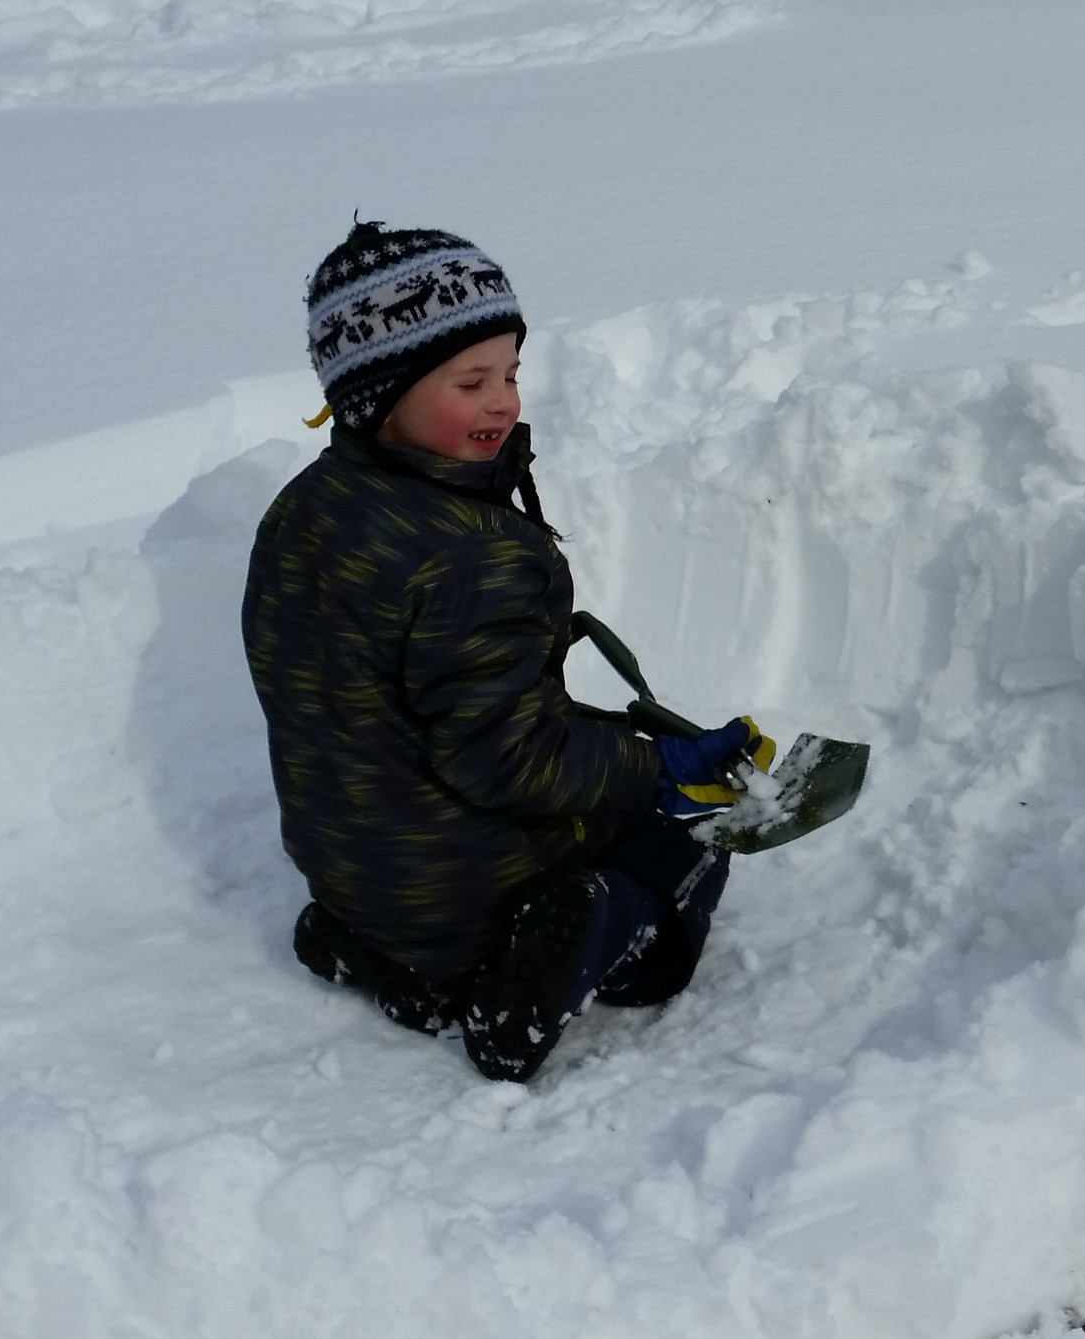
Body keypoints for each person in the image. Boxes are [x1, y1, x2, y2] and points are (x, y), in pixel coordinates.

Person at [243, 221, 769, 1081]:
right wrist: (653, 769)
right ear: (378, 395)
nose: (503, 402)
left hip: (350, 864)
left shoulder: (305, 509)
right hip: (459, 885)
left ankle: (383, 959)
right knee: (681, 857)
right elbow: (509, 759)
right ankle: (540, 967)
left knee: (527, 826)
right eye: (470, 381)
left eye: (511, 374)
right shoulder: (467, 553)